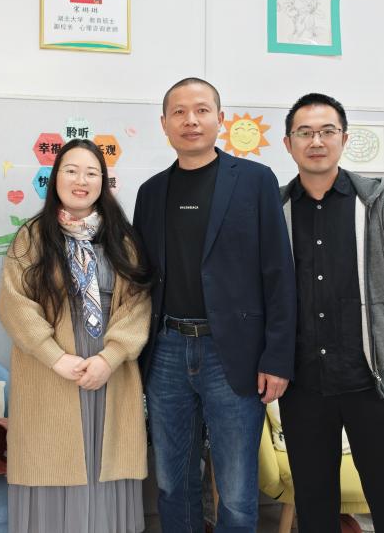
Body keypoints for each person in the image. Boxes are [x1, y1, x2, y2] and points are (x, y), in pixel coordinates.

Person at [132, 77, 297, 532]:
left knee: (238, 492)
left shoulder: (256, 181)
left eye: (202, 110)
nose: (191, 120)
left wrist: (277, 358)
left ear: (220, 119)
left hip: (235, 354)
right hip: (166, 350)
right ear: (164, 123)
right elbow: (141, 277)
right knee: (172, 482)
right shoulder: (151, 192)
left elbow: (279, 273)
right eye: (179, 112)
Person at [278, 93, 384, 533]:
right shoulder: (274, 209)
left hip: (374, 379)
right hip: (304, 382)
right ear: (288, 143)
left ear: (344, 139)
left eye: (327, 131)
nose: (316, 141)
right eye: (305, 132)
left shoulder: (382, 203)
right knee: (314, 507)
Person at [0, 138, 151, 533]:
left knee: (106, 464)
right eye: (71, 171)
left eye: (91, 173)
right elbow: (14, 304)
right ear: (55, 178)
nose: (81, 180)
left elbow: (138, 304)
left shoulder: (123, 239)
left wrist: (109, 358)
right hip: (50, 370)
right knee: (52, 461)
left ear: (103, 181)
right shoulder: (32, 236)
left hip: (107, 371)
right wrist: (56, 357)